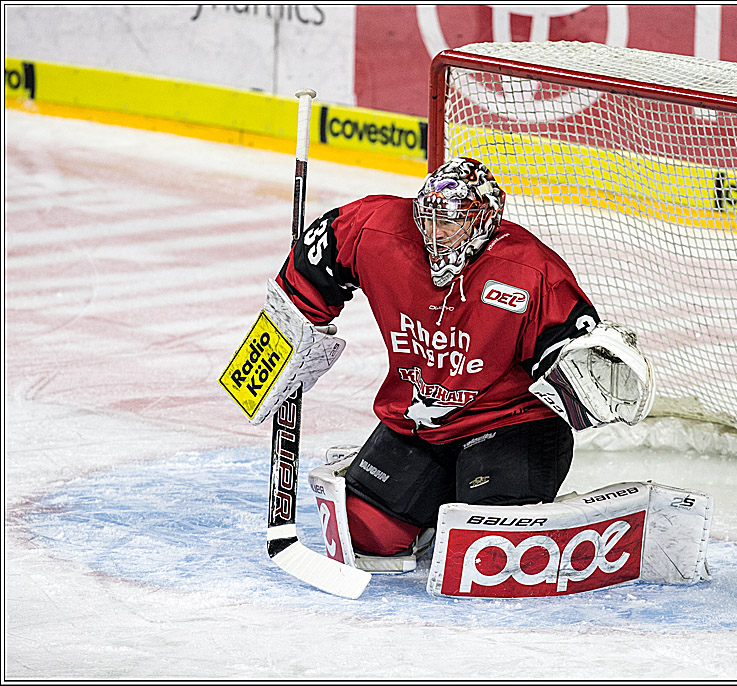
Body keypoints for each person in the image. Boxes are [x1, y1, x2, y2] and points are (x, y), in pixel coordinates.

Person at [253, 157, 654, 560]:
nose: (432, 233)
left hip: (510, 423)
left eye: (447, 222)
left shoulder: (529, 271)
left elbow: (572, 357)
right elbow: (314, 262)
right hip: (420, 420)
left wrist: (591, 366)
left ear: (481, 221)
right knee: (365, 534)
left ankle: (489, 497)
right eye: (426, 218)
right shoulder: (376, 230)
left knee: (490, 549)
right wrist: (286, 339)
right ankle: (435, 498)